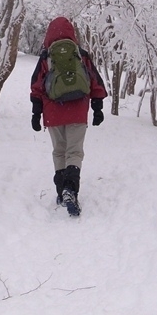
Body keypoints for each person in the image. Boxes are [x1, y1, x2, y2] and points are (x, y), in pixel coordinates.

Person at [30, 17, 107, 217]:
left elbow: (36, 86)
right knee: (74, 151)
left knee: (59, 151)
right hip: (78, 111)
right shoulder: (80, 55)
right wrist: (98, 107)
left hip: (53, 111)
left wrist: (36, 113)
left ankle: (60, 190)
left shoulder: (46, 56)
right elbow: (95, 81)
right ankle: (71, 189)